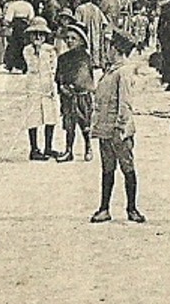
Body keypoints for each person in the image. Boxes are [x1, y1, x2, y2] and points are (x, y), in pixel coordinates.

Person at [90, 29, 145, 223]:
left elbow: (125, 103)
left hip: (118, 130)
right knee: (107, 169)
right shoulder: (111, 70)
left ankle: (132, 208)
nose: (107, 50)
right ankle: (104, 208)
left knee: (127, 167)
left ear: (117, 49)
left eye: (110, 47)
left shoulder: (123, 71)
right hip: (105, 128)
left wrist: (120, 127)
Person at [54, 25, 95, 163]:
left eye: (74, 38)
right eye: (68, 38)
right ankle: (69, 150)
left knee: (85, 123)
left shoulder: (85, 57)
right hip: (67, 96)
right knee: (69, 124)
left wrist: (74, 86)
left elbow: (84, 76)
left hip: (82, 95)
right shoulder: (63, 58)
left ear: (81, 41)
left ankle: (88, 147)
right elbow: (58, 76)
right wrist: (61, 87)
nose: (70, 41)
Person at [22, 18, 61, 160]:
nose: (38, 37)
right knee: (33, 116)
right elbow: (32, 67)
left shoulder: (50, 50)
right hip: (33, 85)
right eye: (35, 34)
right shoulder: (27, 50)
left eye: (41, 34)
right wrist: (37, 51)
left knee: (50, 116)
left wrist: (51, 85)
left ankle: (48, 147)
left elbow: (52, 68)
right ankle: (34, 149)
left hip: (47, 84)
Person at [3, 0, 34, 74]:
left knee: (13, 46)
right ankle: (24, 66)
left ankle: (11, 65)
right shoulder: (28, 5)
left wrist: (7, 25)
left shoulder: (13, 5)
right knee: (24, 46)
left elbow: (8, 18)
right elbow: (31, 18)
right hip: (25, 27)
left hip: (16, 27)